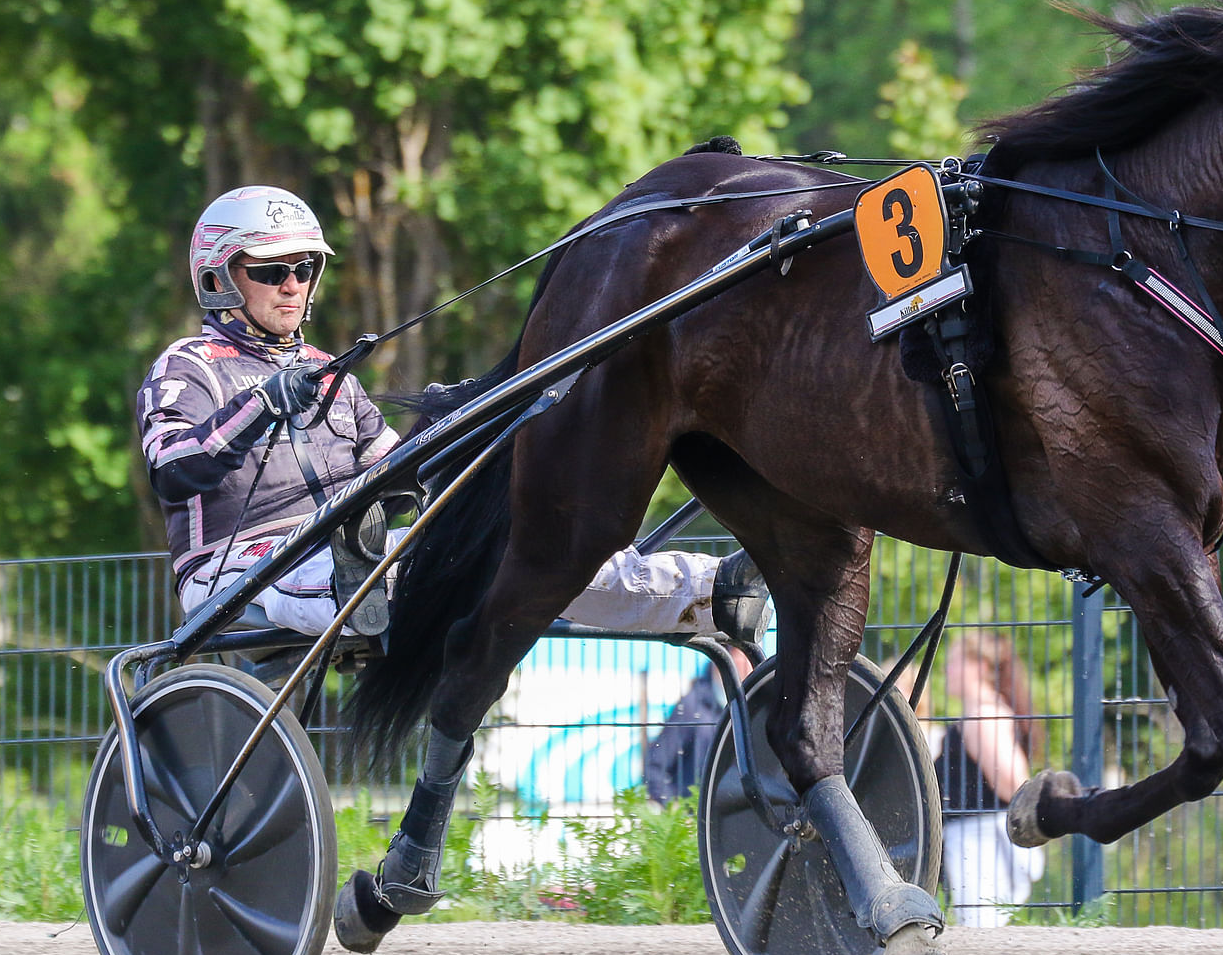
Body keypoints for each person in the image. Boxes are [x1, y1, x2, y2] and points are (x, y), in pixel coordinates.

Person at [136, 184, 768, 679]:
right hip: (237, 568)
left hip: (351, 548)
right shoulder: (187, 365)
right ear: (219, 278)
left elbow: (392, 473)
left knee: (521, 544)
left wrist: (452, 428)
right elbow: (172, 466)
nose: (294, 285)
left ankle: (711, 591)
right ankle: (394, 580)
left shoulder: (328, 376)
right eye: (272, 271)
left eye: (303, 268)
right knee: (400, 560)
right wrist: (262, 405)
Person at [934, 630, 1046, 926]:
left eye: (955, 661)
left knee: (982, 927)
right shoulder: (976, 715)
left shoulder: (985, 717)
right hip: (972, 839)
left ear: (980, 667)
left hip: (982, 842)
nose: (947, 669)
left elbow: (1014, 785)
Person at [643, 646, 753, 804]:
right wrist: (674, 809)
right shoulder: (691, 707)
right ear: (721, 660)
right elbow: (655, 766)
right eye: (741, 656)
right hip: (692, 818)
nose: (747, 665)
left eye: (749, 657)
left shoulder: (752, 711)